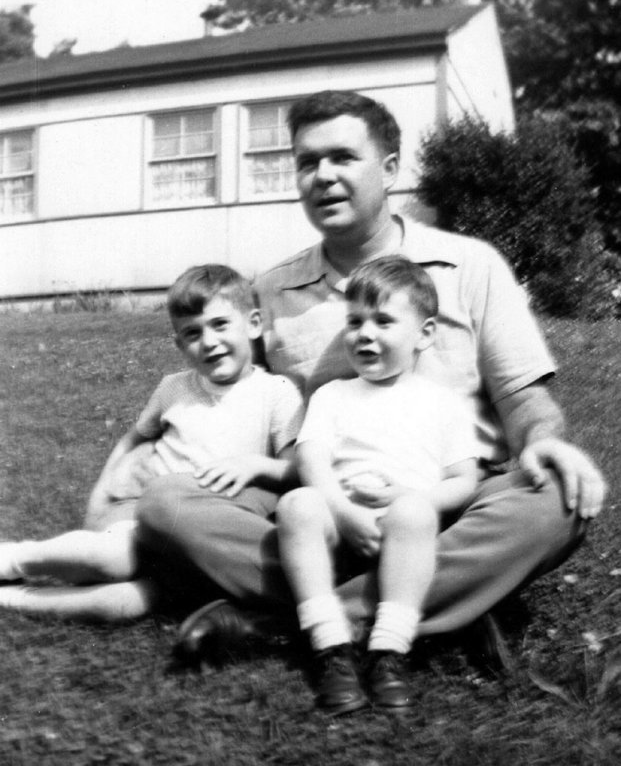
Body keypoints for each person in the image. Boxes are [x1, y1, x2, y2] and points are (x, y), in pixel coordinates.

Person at [137, 90, 606, 669]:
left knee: (558, 498)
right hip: (320, 511)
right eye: (307, 162)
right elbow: (235, 398)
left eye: (341, 157)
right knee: (164, 502)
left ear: (389, 169)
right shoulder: (272, 292)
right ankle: (433, 600)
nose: (322, 176)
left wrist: (543, 441)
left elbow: (524, 396)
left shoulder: (471, 265)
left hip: (448, 505)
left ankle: (301, 618)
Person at [0, 264, 302, 622]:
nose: (208, 341)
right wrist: (100, 498)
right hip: (141, 514)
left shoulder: (277, 392)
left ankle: (18, 599)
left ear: (253, 324)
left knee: (130, 602)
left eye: (220, 324)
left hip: (207, 529)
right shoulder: (174, 387)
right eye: (192, 333)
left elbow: (295, 471)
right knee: (113, 558)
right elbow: (133, 440)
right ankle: (14, 558)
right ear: (179, 344)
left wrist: (256, 465)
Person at [277, 255, 478, 713]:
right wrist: (342, 511)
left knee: (413, 513)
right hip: (338, 526)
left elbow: (464, 479)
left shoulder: (442, 403)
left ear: (424, 334)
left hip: (408, 537)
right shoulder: (332, 396)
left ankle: (389, 652)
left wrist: (412, 498)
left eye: (384, 321)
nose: (365, 333)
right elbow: (311, 459)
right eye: (354, 321)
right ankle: (332, 648)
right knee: (297, 505)